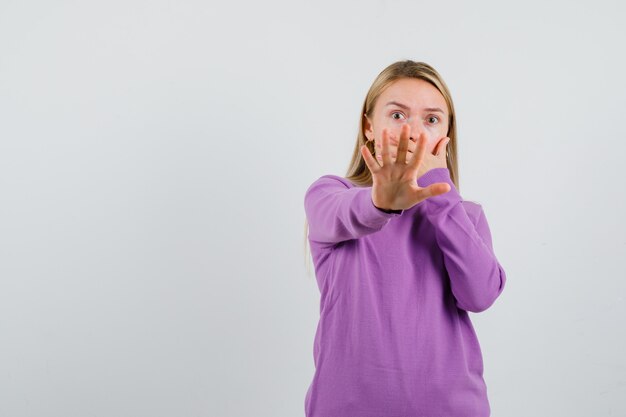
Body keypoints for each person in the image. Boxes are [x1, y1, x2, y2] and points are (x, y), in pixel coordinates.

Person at [302, 60, 507, 417]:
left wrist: (441, 199)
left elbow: (481, 294)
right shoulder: (329, 193)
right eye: (397, 115)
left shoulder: (465, 216)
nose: (414, 132)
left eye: (431, 119)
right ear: (369, 126)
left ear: (446, 136)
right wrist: (381, 202)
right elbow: (342, 214)